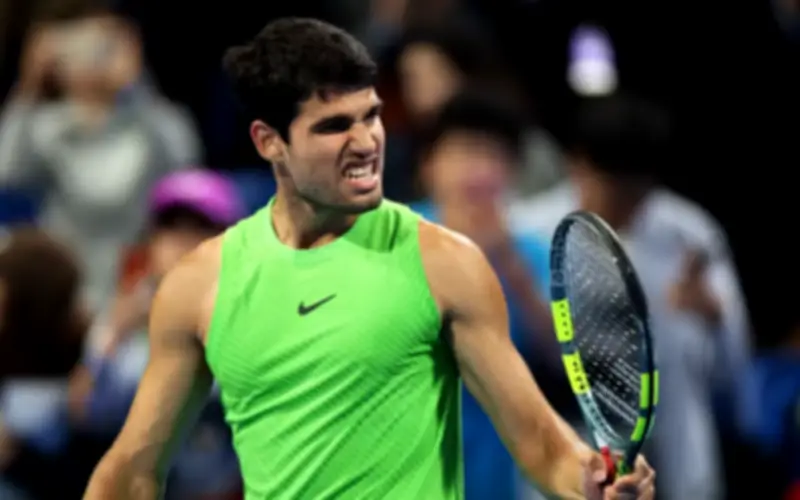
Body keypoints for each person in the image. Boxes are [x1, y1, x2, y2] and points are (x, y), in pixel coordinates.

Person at [84, 18, 655, 499]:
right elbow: (132, 471)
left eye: (371, 115)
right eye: (334, 126)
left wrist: (589, 478)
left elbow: (538, 442)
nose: (365, 142)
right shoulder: (200, 284)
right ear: (268, 141)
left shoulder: (443, 262)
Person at [510, 94, 750, 500]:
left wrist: (711, 315)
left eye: (637, 195)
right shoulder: (526, 230)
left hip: (677, 461)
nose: (626, 208)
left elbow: (734, 369)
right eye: (614, 191)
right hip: (564, 450)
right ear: (578, 167)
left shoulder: (690, 235)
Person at [410, 89, 573, 500]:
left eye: (494, 155)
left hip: (494, 476)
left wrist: (510, 266)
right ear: (429, 164)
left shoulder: (534, 253)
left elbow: (564, 358)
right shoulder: (390, 239)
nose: (479, 171)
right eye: (465, 152)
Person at [69, 169, 246, 499]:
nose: (184, 242)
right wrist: (111, 338)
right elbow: (86, 413)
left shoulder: (255, 311)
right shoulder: (122, 318)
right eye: (171, 228)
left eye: (202, 228)